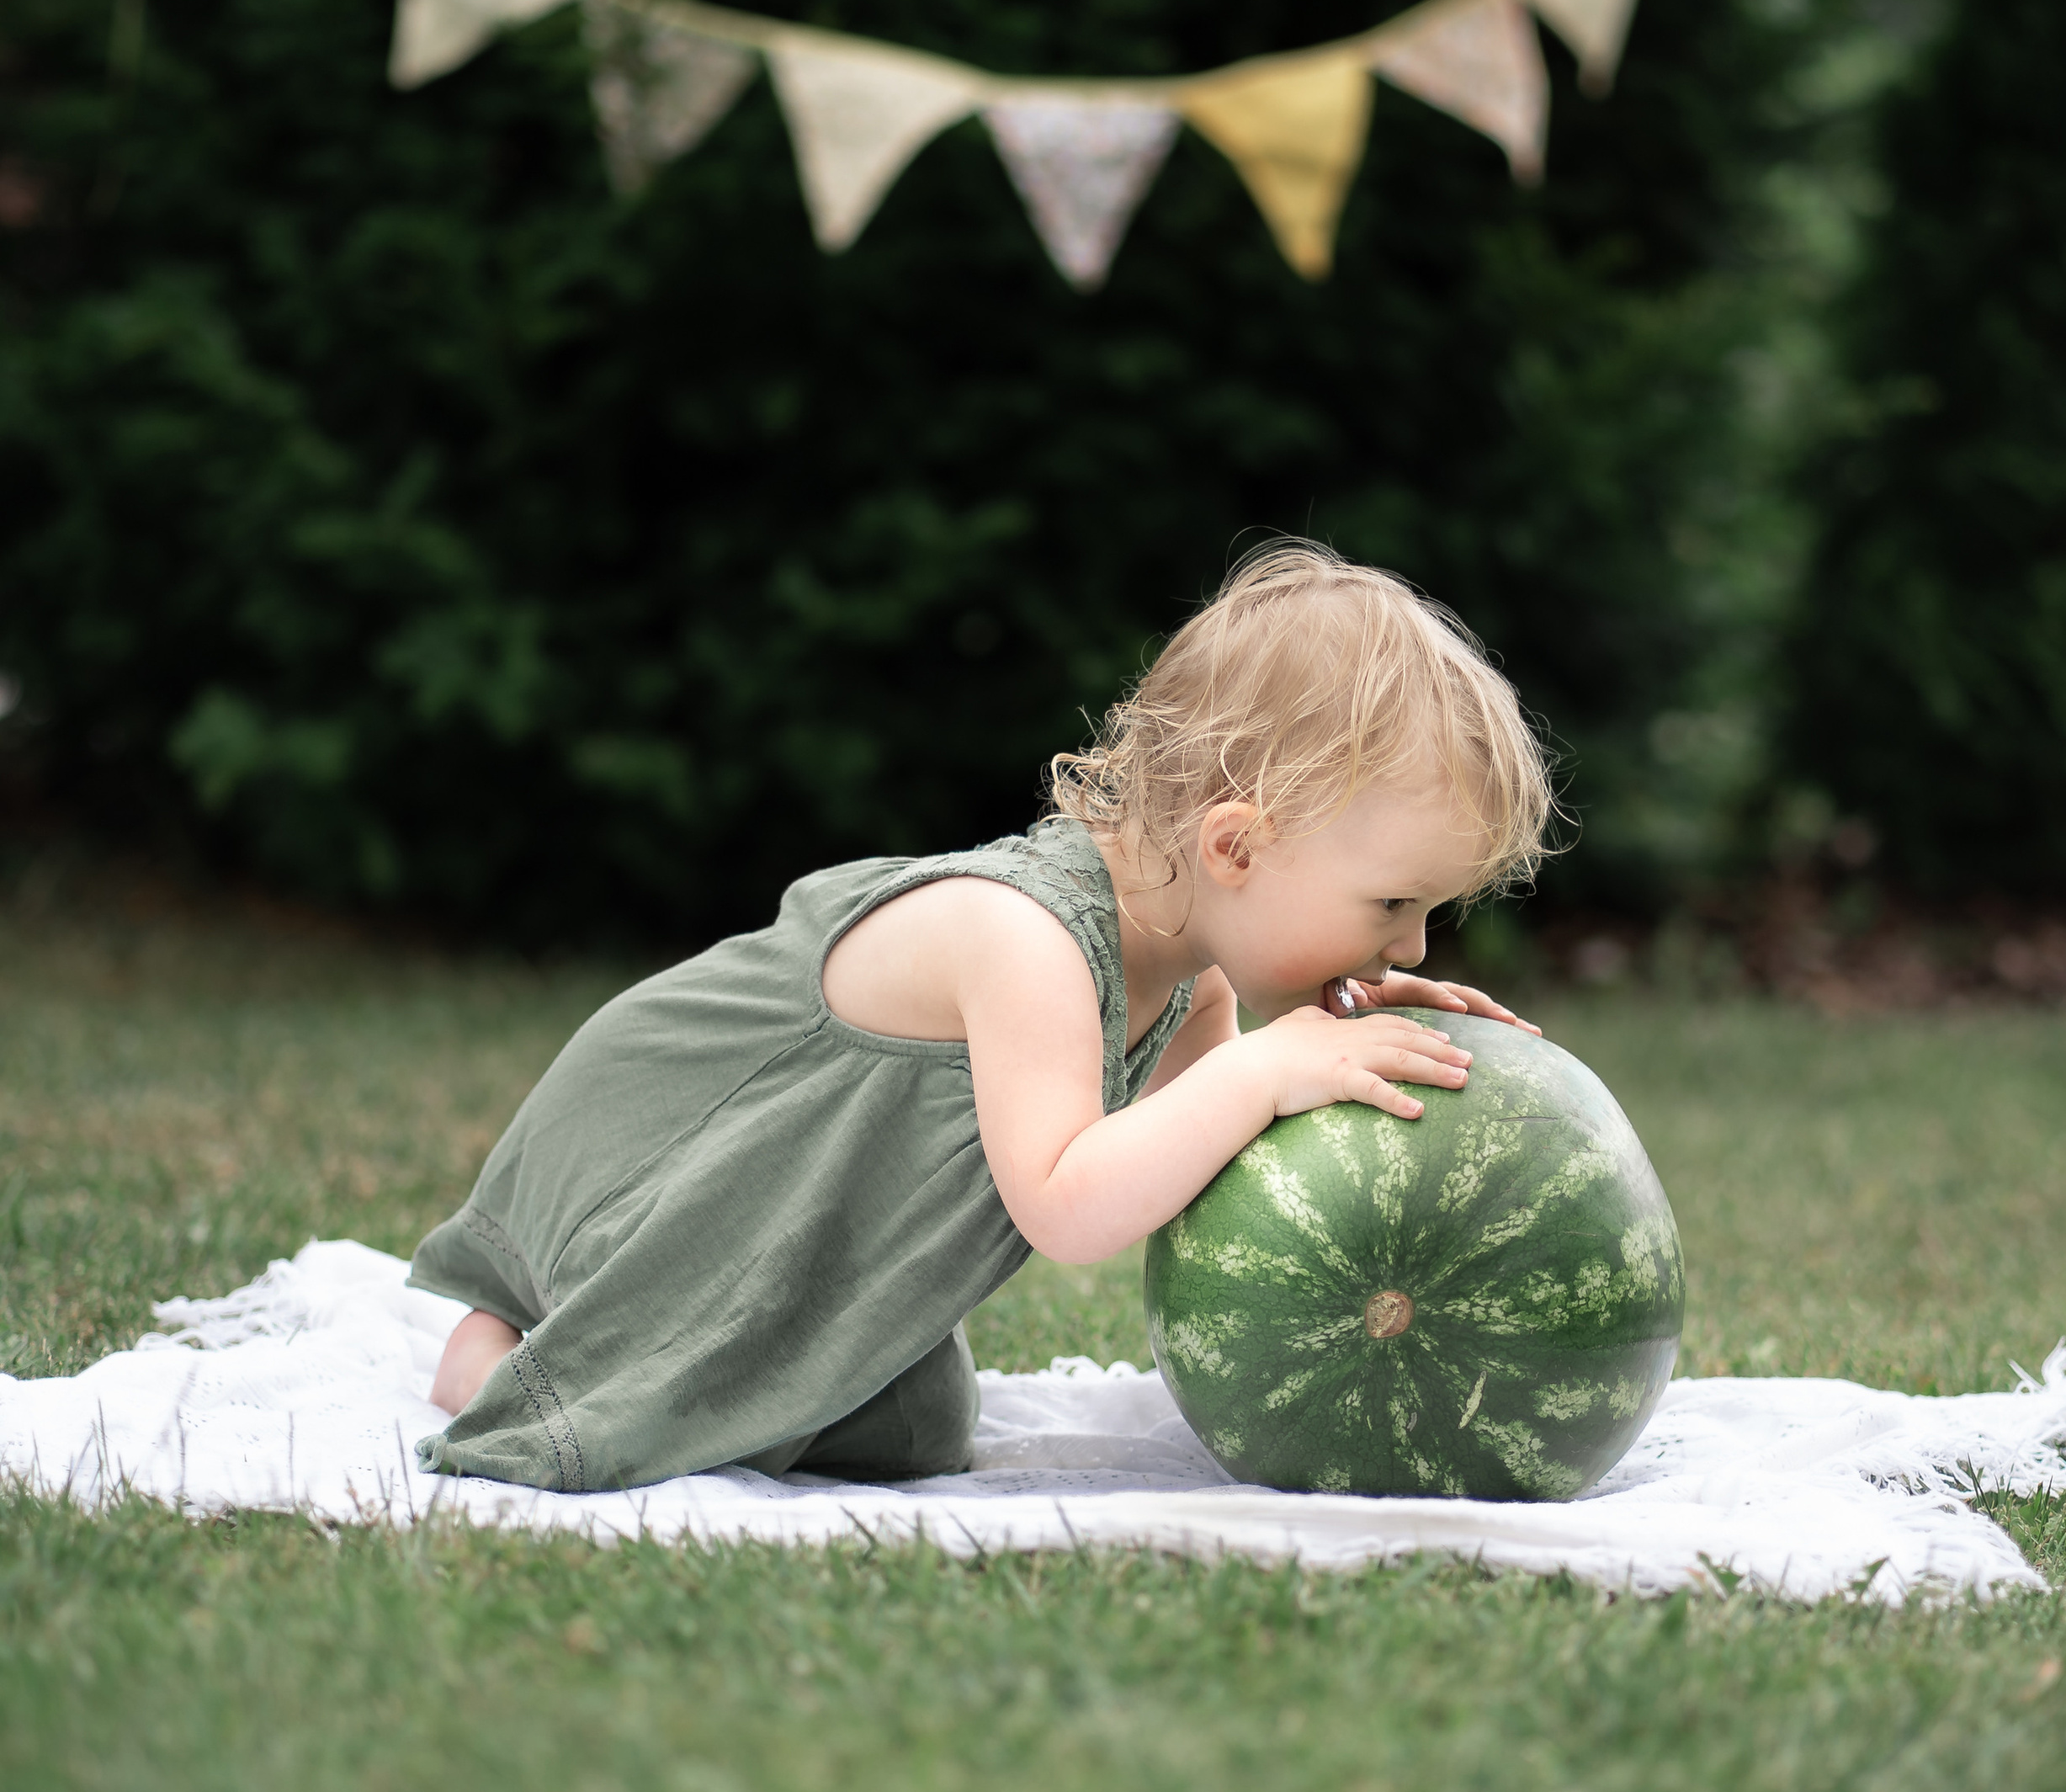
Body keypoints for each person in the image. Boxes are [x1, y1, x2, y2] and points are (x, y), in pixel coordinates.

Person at [411, 541, 1554, 1492]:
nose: (1409, 944)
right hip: (683, 1169)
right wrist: (1264, 1074)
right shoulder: (1028, 941)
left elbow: (1202, 1174)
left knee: (912, 1438)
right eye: (1393, 906)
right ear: (1237, 846)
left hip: (833, 1226)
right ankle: (513, 1343)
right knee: (628, 1422)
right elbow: (1068, 1202)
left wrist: (1342, 1077)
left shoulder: (1194, 980)